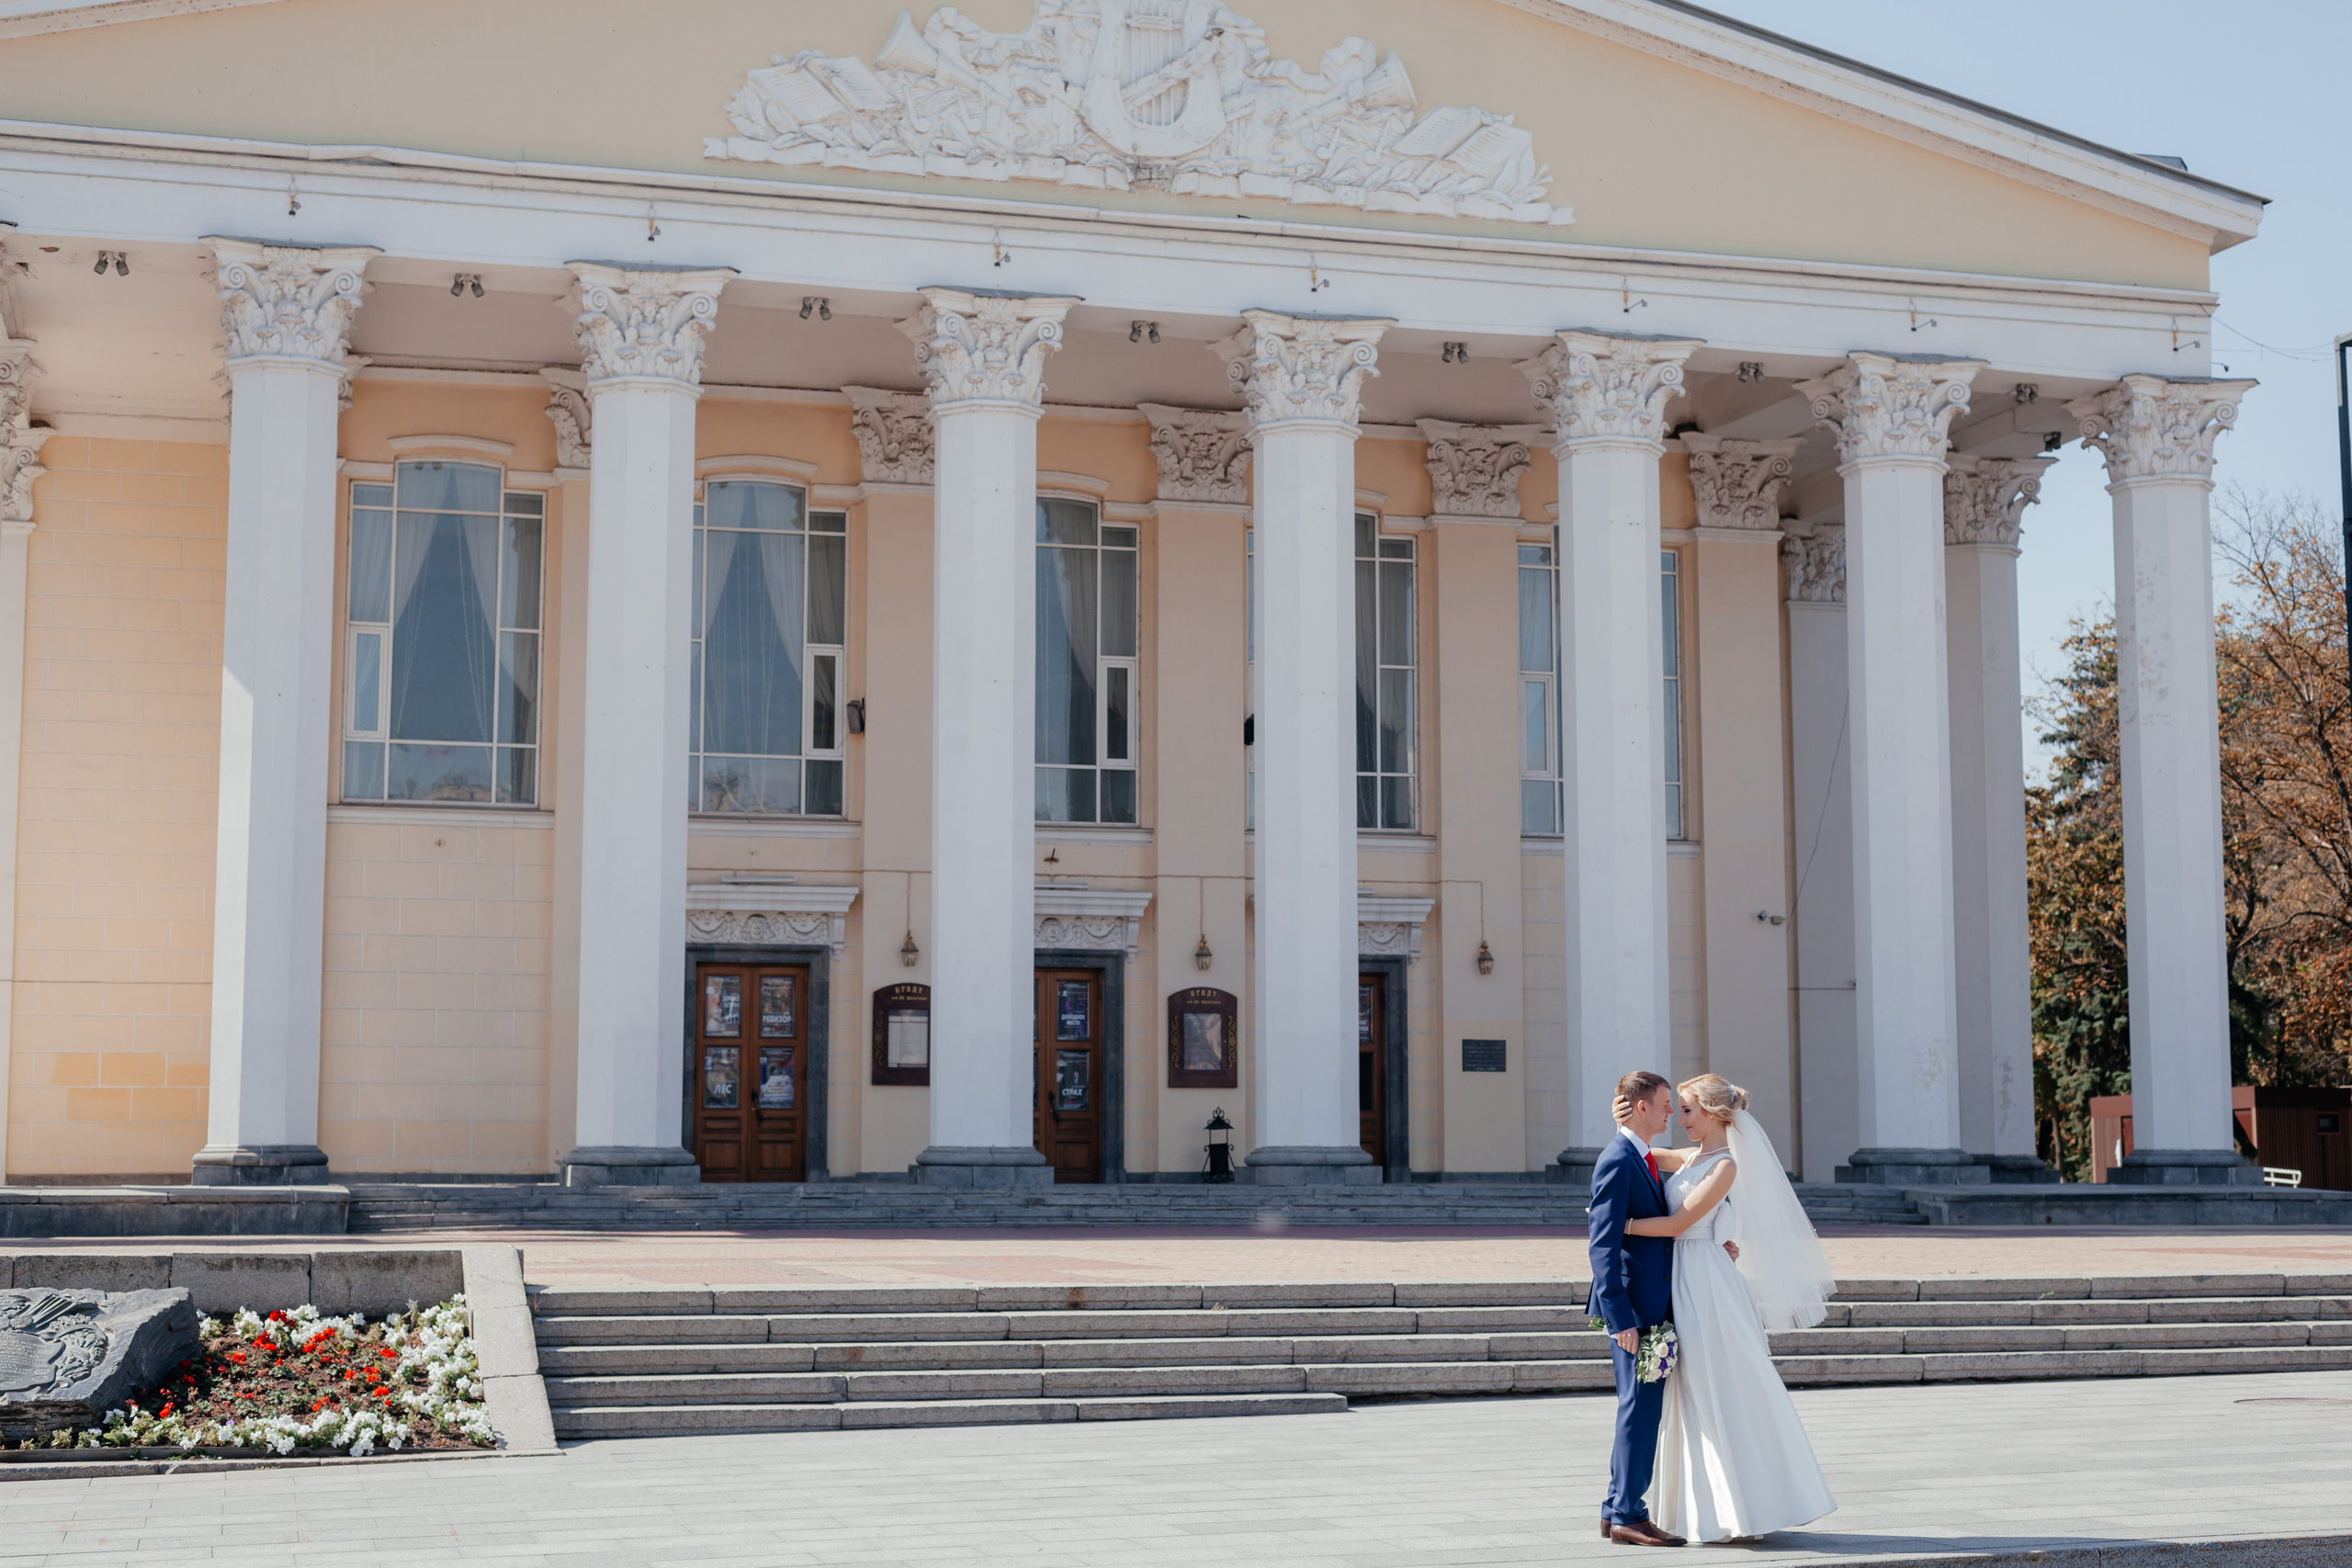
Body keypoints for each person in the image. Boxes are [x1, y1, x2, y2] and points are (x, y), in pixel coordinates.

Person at [1618, 1074, 1838, 1544]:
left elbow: (1679, 1223)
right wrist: (1627, 1122)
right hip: (1685, 1279)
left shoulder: (1725, 1167)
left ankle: (1747, 1507)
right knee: (1695, 1392)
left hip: (1707, 1286)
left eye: (1689, 1110)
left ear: (1715, 1114)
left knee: (1722, 1386)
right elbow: (1640, 1155)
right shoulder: (1693, 1156)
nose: (1679, 1118)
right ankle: (1713, 1510)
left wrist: (1622, 1224)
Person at [1586, 1070, 1685, 1549]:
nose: (1672, 1111)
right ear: (1641, 1106)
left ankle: (1614, 1509)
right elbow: (1602, 1245)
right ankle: (1630, 1513)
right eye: (1666, 1103)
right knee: (1641, 1411)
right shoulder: (1618, 1159)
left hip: (1653, 1307)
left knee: (1641, 1408)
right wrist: (1619, 1317)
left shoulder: (1640, 1155)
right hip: (1636, 1312)